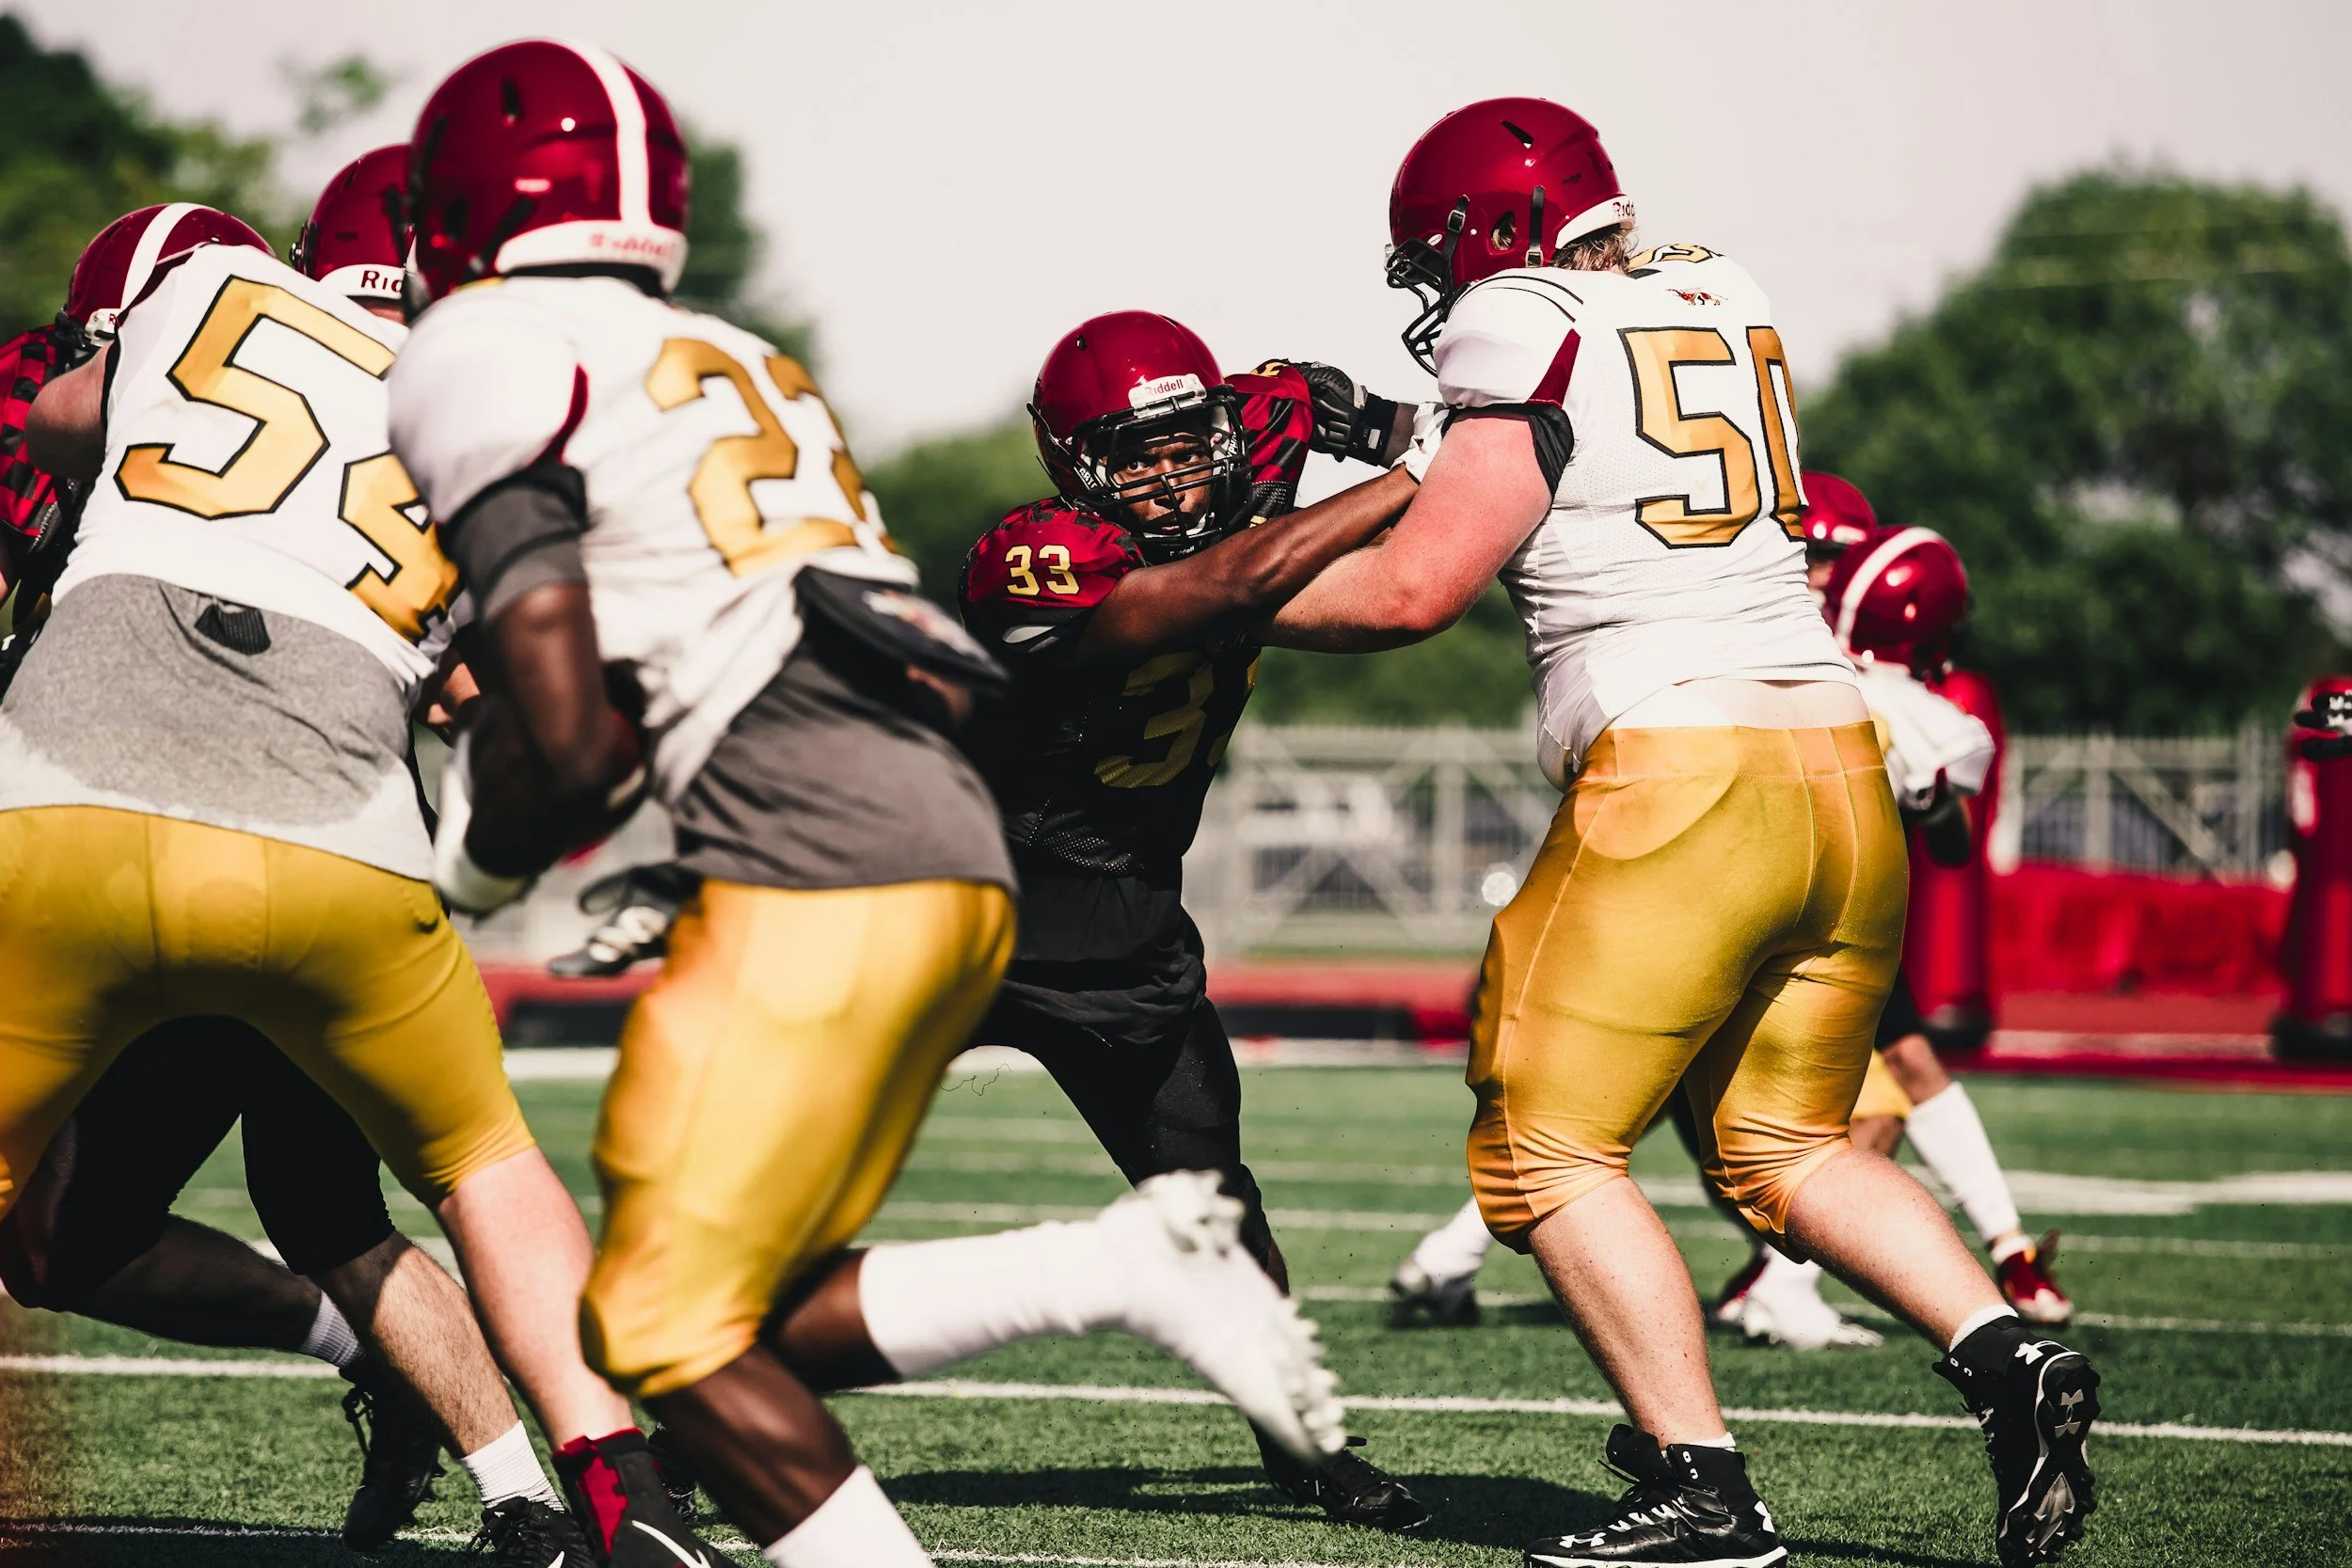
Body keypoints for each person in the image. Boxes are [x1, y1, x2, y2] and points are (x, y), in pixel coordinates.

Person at [390, 40, 1344, 1568]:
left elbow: (564, 732)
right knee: (674, 1318)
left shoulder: (481, 349)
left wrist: (466, 875)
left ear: (457, 214)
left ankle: (1118, 1262)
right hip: (949, 845)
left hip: (826, 867)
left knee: (647, 1316)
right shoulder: (748, 365)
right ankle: (1123, 1269)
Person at [1269, 98, 2103, 1567]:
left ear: (1487, 237)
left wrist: (1205, 605)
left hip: (1682, 772)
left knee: (1539, 1144)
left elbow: (1417, 586)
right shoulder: (1719, 290)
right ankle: (2007, 1355)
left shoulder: (1517, 317)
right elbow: (1596, 455)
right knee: (1783, 1136)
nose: (1431, 296)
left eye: (1434, 262)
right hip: (1833, 770)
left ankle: (1701, 1483)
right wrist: (1381, 427)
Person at [9, 190, 707, 1568]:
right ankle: (617, 1505)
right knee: (465, 1166)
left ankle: (502, 1475)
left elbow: (55, 420)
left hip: (77, 798)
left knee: (80, 1234)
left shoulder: (192, 300)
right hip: (336, 841)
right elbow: (518, 713)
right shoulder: (490, 413)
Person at [957, 311, 1428, 1528]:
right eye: (1134, 455)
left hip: (1118, 901)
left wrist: (1414, 430)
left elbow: (1327, 410)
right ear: (1073, 464)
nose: (1169, 476)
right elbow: (1228, 581)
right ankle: (689, 1403)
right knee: (798, 1163)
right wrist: (1421, 470)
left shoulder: (1256, 424)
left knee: (1215, 1192)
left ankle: (1299, 1432)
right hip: (955, 890)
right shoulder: (1035, 553)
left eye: (1186, 446)